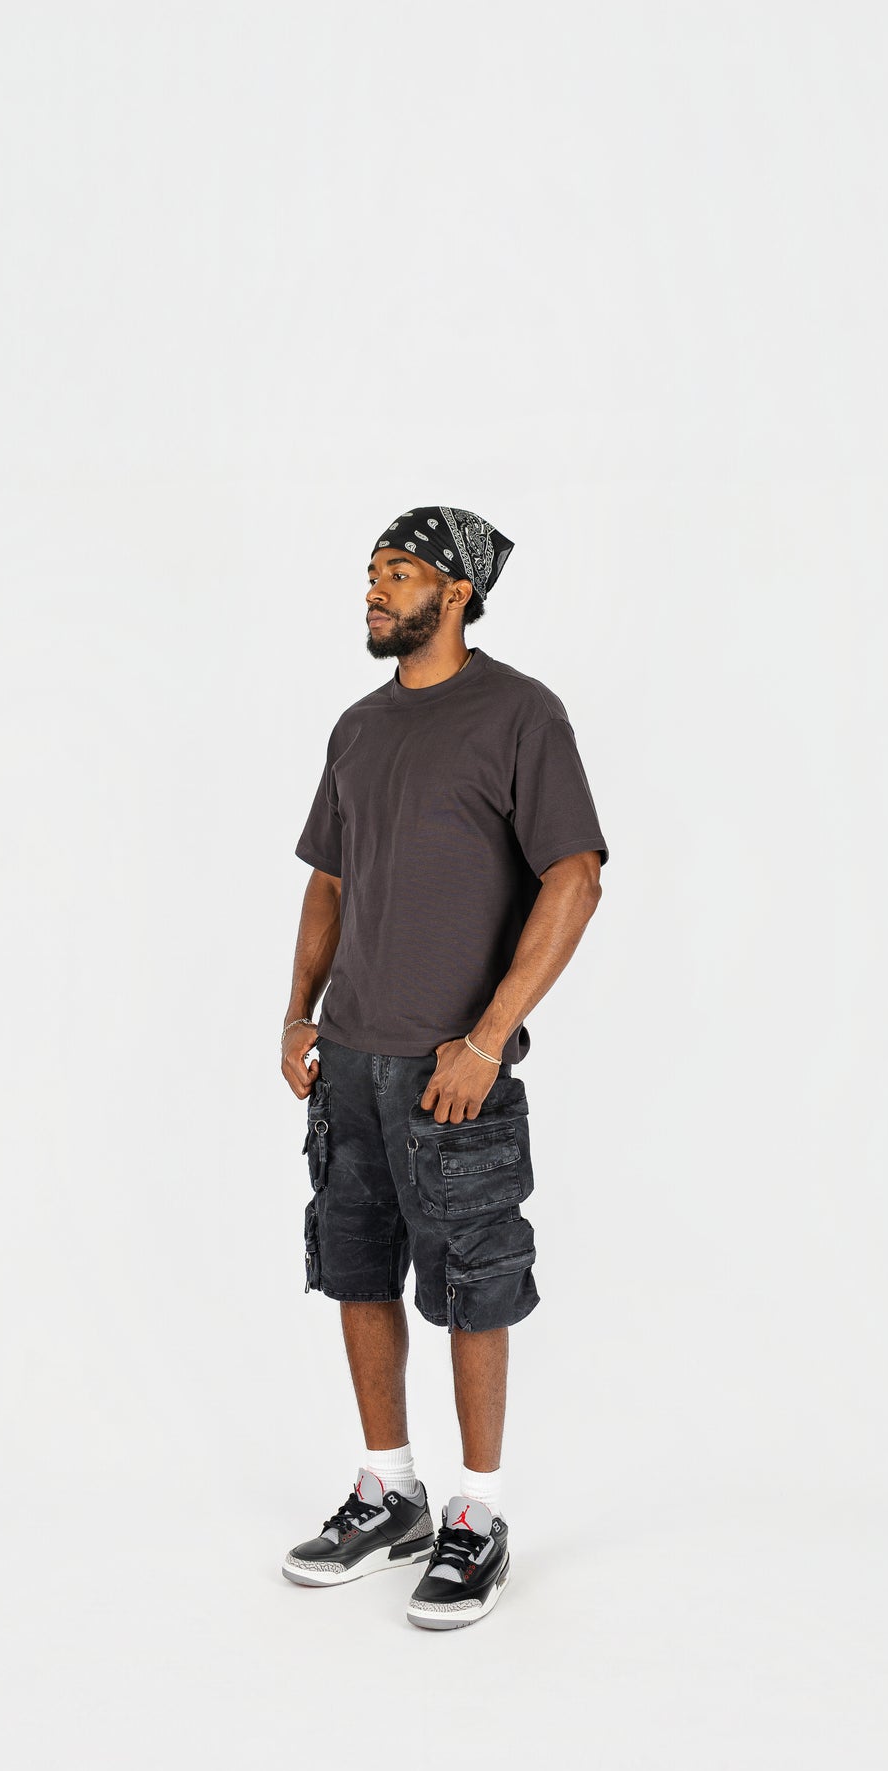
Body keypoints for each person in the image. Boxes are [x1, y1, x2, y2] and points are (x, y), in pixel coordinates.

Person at [279, 505, 609, 1630]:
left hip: (451, 1072)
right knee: (355, 1270)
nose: (375, 588)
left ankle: (478, 1512)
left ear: (458, 593)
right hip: (349, 1062)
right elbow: (328, 881)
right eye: (371, 569)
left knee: (474, 1280)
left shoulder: (521, 714)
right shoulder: (357, 728)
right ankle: (391, 1493)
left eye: (401, 571)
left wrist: (485, 1039)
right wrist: (298, 1013)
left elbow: (575, 877)